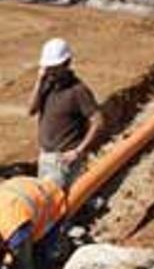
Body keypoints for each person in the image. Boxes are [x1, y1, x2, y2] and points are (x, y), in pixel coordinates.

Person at [29, 38, 104, 189]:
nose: (50, 72)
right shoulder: (47, 84)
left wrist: (78, 151)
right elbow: (31, 110)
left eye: (54, 68)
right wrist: (39, 81)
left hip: (64, 160)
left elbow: (98, 121)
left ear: (66, 63)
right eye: (48, 67)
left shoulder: (78, 91)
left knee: (57, 202)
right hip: (45, 156)